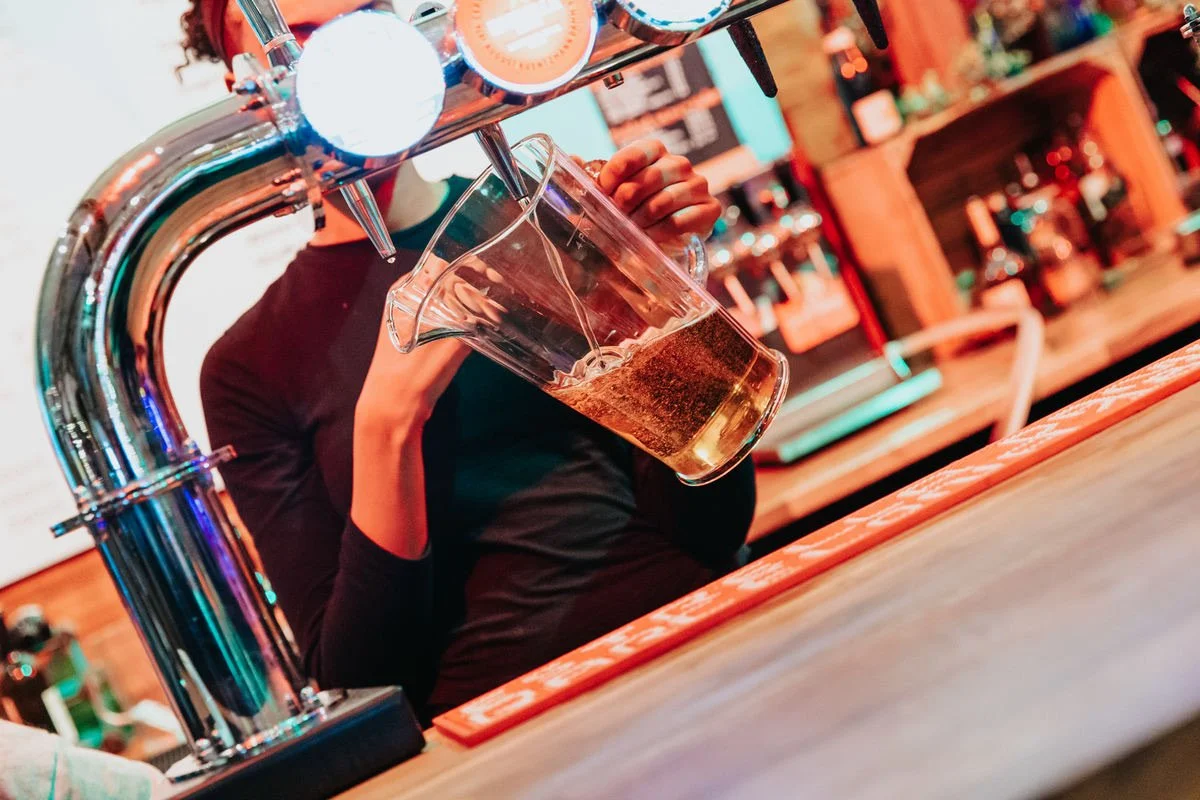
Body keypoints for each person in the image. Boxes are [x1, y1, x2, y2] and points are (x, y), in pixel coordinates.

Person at [185, 0, 757, 724]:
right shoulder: (249, 365)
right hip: (505, 728)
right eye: (298, 47)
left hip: (699, 637)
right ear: (247, 90)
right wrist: (388, 420)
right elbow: (357, 681)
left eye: (363, 22)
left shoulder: (541, 223)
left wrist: (664, 292)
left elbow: (714, 527)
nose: (344, 64)